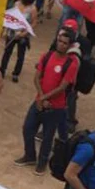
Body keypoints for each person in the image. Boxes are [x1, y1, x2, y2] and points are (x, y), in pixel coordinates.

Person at [14, 30, 78, 175]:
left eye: (64, 43)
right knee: (27, 129)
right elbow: (37, 77)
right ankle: (30, 156)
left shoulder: (71, 64)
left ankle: (42, 163)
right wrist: (41, 97)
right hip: (39, 102)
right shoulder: (47, 56)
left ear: (70, 46)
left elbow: (63, 87)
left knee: (47, 137)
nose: (61, 45)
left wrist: (44, 98)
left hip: (56, 107)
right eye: (59, 41)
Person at [0, 0, 37, 83]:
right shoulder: (16, 4)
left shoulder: (32, 9)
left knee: (20, 55)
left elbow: (34, 23)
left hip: (23, 36)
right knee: (7, 52)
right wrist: (4, 30)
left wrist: (25, 33)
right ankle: (2, 70)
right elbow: (10, 17)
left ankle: (16, 73)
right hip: (12, 33)